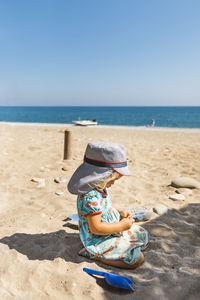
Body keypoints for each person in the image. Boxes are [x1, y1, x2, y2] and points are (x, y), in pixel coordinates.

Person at [67, 141, 149, 269]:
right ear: (101, 176)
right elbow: (96, 228)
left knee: (142, 233)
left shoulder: (100, 188)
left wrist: (119, 212)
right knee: (137, 260)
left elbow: (103, 208)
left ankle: (118, 246)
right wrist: (121, 226)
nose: (113, 183)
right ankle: (95, 255)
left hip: (111, 230)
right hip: (98, 239)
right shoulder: (90, 197)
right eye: (113, 180)